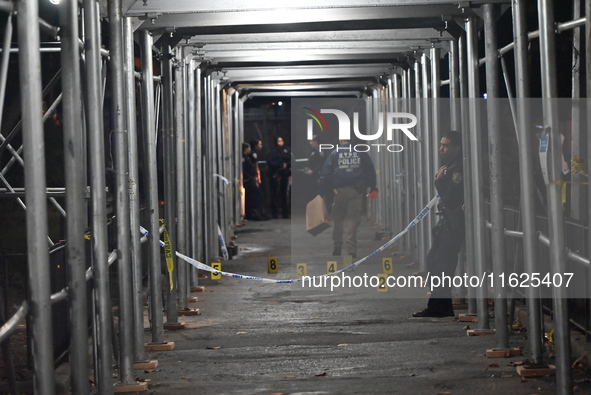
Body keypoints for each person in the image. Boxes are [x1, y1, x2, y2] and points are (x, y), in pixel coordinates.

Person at [413, 130, 465, 318]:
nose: (441, 148)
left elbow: (451, 198)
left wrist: (438, 181)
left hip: (454, 223)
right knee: (434, 261)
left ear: (457, 147)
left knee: (442, 263)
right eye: (441, 144)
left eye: (446, 145)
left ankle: (441, 306)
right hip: (448, 222)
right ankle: (437, 304)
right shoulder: (451, 166)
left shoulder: (457, 169)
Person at [318, 139, 378, 258]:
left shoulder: (334, 153)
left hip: (339, 191)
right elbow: (370, 170)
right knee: (353, 219)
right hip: (356, 190)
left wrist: (322, 192)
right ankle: (351, 248)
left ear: (340, 141)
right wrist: (372, 186)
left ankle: (337, 246)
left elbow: (325, 174)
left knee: (338, 218)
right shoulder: (360, 152)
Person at [267, 136, 292, 218]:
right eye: (279, 141)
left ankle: (285, 212)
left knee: (284, 193)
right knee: (275, 194)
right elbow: (271, 162)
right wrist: (280, 165)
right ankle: (275, 212)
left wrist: (287, 165)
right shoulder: (272, 152)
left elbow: (290, 159)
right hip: (275, 174)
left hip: (285, 174)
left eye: (282, 140)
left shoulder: (286, 150)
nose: (280, 142)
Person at [242, 142, 264, 221]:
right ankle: (253, 212)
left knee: (255, 195)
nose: (250, 150)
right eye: (249, 148)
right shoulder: (244, 159)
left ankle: (255, 212)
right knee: (256, 194)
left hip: (250, 178)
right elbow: (244, 169)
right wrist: (250, 177)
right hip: (248, 179)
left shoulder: (248, 157)